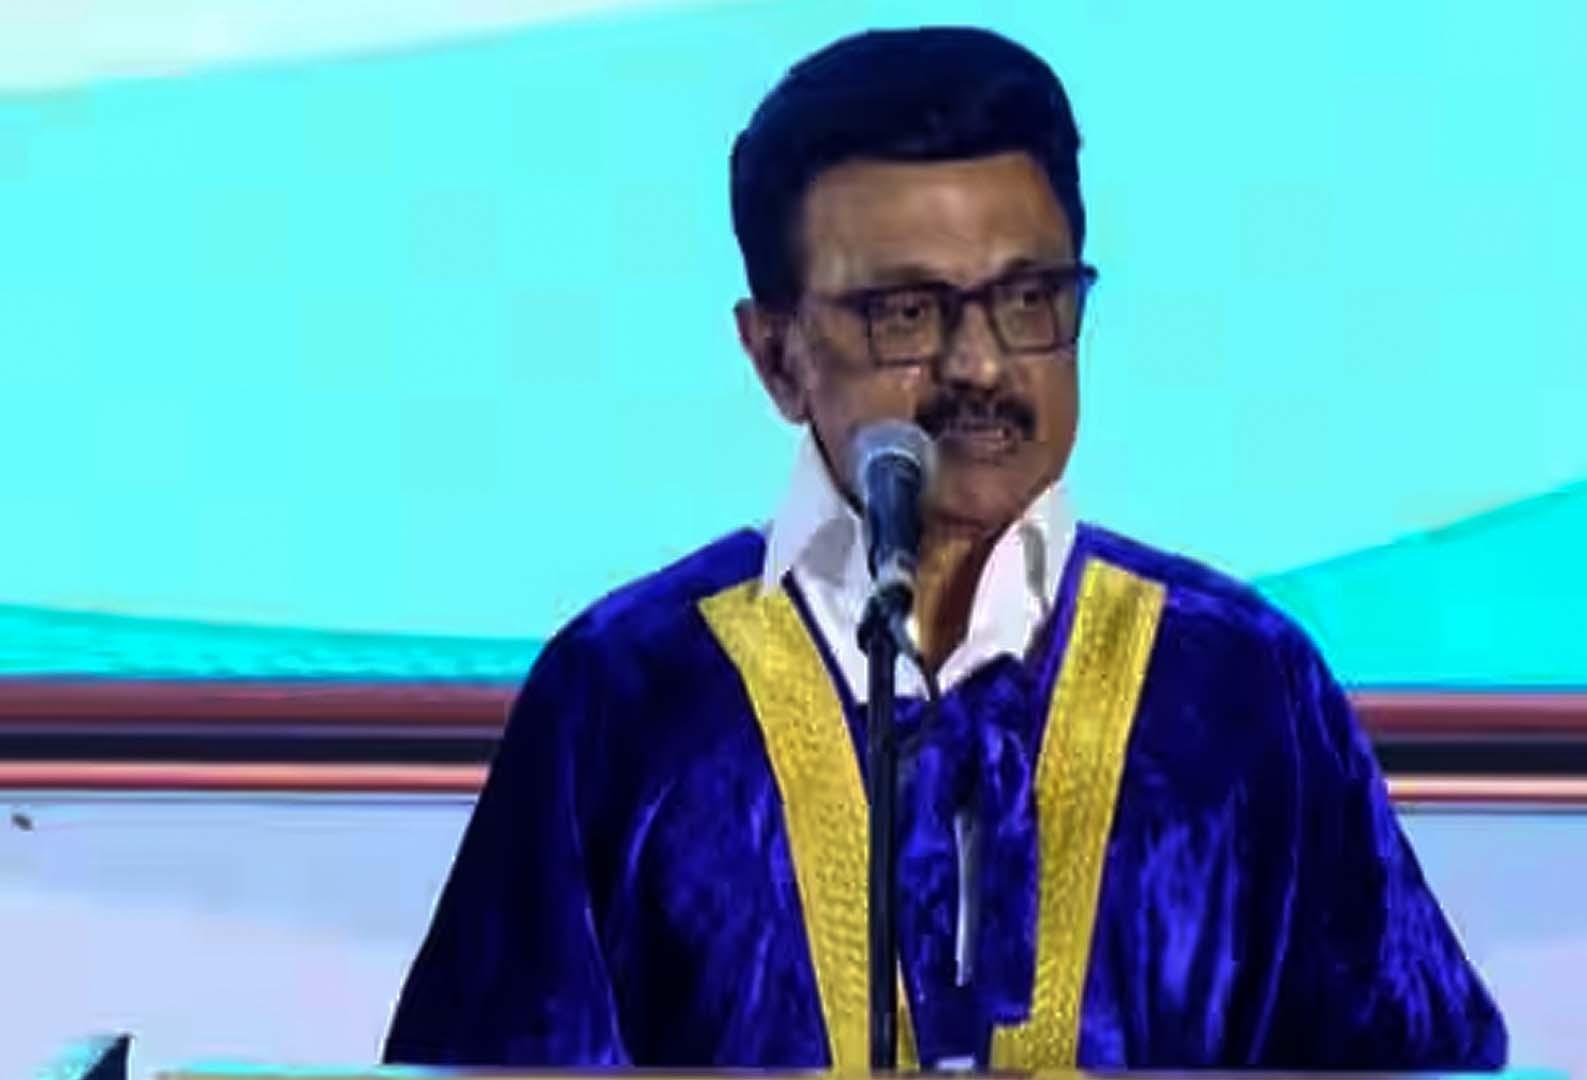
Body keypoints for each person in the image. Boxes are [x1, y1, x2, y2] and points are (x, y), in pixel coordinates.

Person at [384, 25, 1506, 1073]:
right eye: (906, 314)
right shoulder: (625, 695)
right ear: (775, 356)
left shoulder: (1243, 685)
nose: (979, 365)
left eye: (1028, 299)